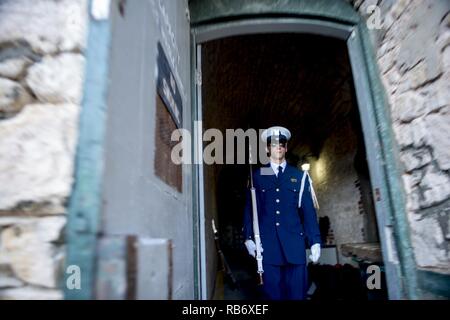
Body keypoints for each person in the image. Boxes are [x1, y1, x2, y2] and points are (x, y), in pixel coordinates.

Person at [242, 126, 321, 300]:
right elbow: (250, 209)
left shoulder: (299, 176)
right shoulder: (257, 175)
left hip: (295, 246)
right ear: (267, 148)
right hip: (267, 248)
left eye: (282, 144)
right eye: (273, 144)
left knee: (297, 296)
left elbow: (308, 212)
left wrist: (314, 240)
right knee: (272, 297)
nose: (278, 147)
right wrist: (248, 236)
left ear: (286, 148)